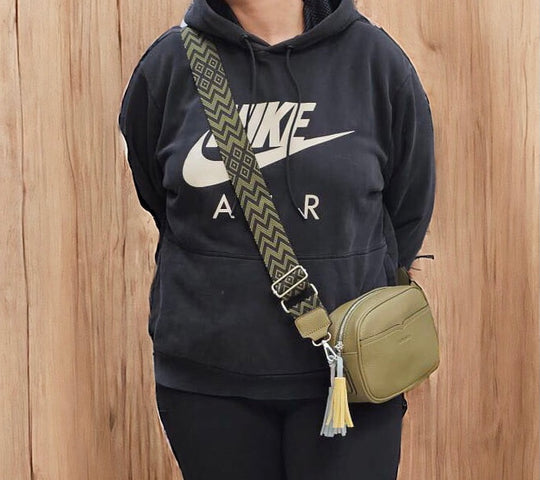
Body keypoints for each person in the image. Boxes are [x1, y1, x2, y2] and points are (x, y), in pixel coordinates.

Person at [117, 0, 436, 478]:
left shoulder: (376, 63)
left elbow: (407, 209)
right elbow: (159, 198)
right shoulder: (168, 67)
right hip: (208, 383)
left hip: (352, 376)